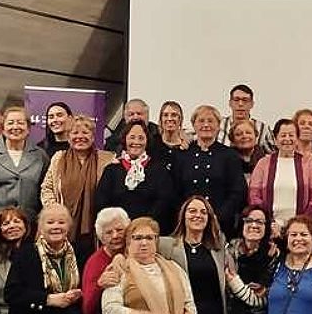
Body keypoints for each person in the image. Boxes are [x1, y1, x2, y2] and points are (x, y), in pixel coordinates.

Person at [40, 115, 115, 261]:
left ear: (93, 137)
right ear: (68, 137)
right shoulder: (58, 158)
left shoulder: (107, 159)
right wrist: (57, 213)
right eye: (75, 133)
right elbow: (47, 188)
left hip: (94, 231)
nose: (80, 136)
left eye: (85, 133)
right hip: (63, 228)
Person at [172, 104, 247, 238]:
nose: (206, 125)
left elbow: (238, 191)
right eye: (201, 121)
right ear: (194, 125)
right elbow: (175, 191)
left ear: (218, 126)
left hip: (220, 224)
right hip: (187, 224)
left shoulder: (229, 155)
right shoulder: (182, 155)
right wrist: (186, 216)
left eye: (211, 121)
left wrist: (217, 217)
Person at [0, 106, 49, 223]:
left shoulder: (40, 156)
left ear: (28, 129)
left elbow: (45, 192)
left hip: (28, 224)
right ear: (3, 128)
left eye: (20, 123)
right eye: (10, 123)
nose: (15, 127)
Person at [248, 119, 312, 227]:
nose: (287, 139)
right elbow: (254, 195)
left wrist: (303, 221)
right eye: (283, 135)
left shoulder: (308, 163)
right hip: (269, 227)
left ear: (297, 139)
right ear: (275, 139)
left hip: (301, 227)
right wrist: (268, 222)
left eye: (291, 135)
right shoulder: (263, 163)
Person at [95, 121, 175, 227]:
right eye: (132, 137)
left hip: (148, 229)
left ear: (147, 141)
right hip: (117, 230)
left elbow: (164, 201)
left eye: (141, 138)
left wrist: (143, 223)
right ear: (125, 139)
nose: (136, 142)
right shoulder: (111, 170)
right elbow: (101, 202)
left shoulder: (159, 170)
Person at [218, 84, 273, 149]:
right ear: (230, 103)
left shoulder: (263, 128)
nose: (240, 104)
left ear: (252, 104)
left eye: (245, 100)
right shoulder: (218, 125)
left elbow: (273, 155)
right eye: (236, 99)